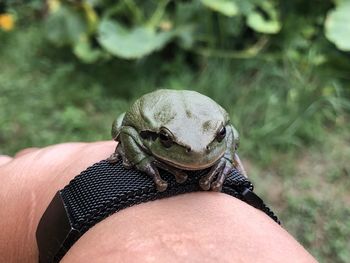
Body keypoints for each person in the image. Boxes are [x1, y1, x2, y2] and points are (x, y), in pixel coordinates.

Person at [0, 141, 317, 263]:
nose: (194, 153)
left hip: (82, 185)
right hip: (95, 186)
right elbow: (125, 125)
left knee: (19, 167)